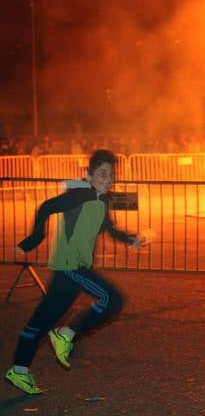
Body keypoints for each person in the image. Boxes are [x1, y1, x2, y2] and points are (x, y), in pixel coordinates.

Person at [4, 149, 145, 395]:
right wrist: (35, 237)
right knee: (113, 299)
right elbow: (46, 207)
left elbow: (109, 228)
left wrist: (130, 239)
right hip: (71, 267)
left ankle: (19, 370)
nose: (108, 179)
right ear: (88, 175)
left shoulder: (103, 200)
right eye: (102, 174)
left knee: (40, 322)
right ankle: (66, 333)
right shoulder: (79, 195)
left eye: (111, 175)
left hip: (69, 271)